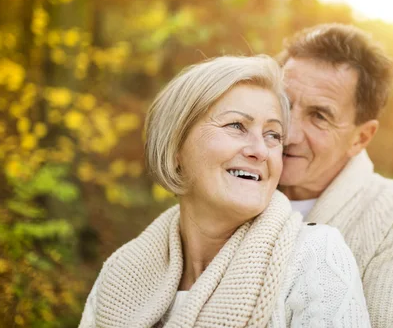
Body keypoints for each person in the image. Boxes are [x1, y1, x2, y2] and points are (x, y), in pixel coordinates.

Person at [78, 55, 371, 328]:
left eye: (272, 135)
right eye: (236, 126)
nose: (260, 151)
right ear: (176, 146)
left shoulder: (314, 256)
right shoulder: (119, 274)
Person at [277, 24, 393, 328]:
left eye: (319, 116)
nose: (288, 132)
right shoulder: (237, 188)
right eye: (284, 104)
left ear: (361, 137)